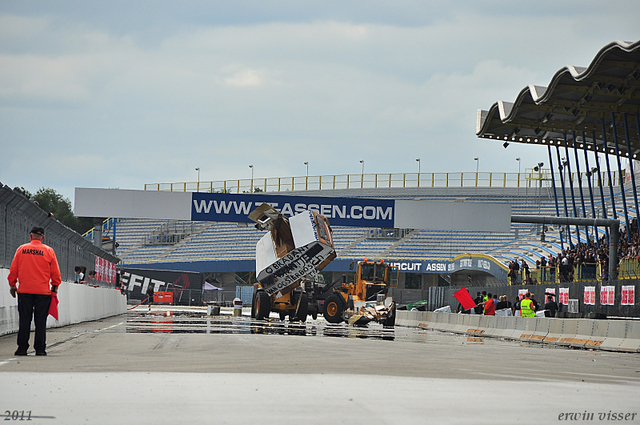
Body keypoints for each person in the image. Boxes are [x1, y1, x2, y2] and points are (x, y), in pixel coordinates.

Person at [7, 227, 61, 356]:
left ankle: (22, 348)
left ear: (31, 236)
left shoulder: (21, 249)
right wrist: (55, 286)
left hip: (24, 291)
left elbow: (14, 269)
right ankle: (40, 348)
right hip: (43, 292)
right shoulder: (48, 251)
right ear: (42, 237)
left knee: (24, 320)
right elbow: (56, 272)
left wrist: (12, 284)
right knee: (40, 321)